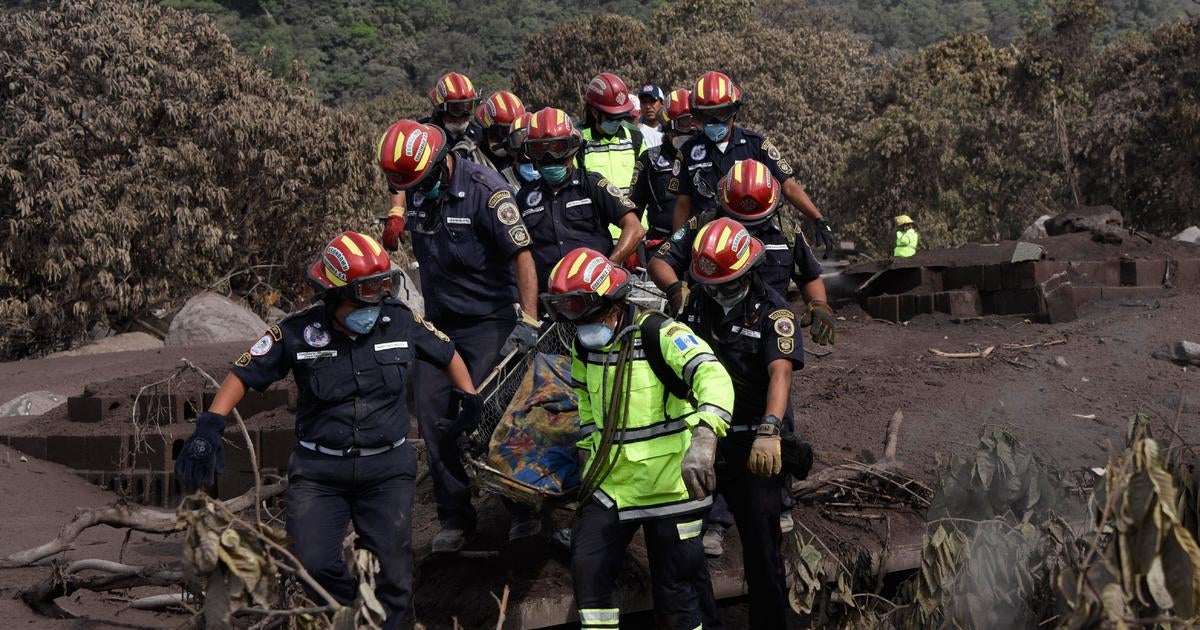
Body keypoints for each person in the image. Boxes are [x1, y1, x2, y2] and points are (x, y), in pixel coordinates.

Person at [174, 231, 478, 630]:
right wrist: (210, 425)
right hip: (319, 473)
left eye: (383, 285)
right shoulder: (298, 332)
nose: (377, 298)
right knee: (311, 564)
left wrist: (469, 397)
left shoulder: (399, 321)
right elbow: (244, 373)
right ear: (334, 293)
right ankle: (355, 613)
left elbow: (447, 351)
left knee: (393, 572)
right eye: (366, 290)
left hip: (387, 470)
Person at [540, 248, 735, 630]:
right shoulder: (584, 344)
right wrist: (585, 447)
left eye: (587, 317)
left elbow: (713, 376)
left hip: (672, 487)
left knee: (677, 594)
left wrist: (706, 436)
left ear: (612, 307)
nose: (581, 327)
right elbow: (584, 397)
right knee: (589, 568)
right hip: (612, 486)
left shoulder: (660, 333)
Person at [376, 119, 541, 551]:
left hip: (490, 321)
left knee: (492, 414)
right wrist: (395, 214)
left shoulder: (487, 191)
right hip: (439, 323)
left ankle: (520, 507)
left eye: (417, 182)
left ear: (440, 165)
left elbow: (522, 257)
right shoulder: (415, 188)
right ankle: (455, 516)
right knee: (432, 415)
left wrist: (528, 321)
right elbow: (401, 191)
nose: (412, 191)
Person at [678, 218, 802, 630]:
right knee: (682, 547)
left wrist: (770, 429)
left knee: (763, 549)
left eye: (726, 285)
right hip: (703, 438)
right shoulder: (697, 302)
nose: (719, 294)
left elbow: (780, 373)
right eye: (712, 286)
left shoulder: (775, 314)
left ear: (748, 272)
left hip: (753, 442)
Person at [650, 159, 836, 347]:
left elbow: (809, 275)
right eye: (737, 220)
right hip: (707, 335)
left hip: (764, 339)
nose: (746, 230)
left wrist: (819, 305)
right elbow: (660, 261)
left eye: (755, 224)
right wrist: (675, 289)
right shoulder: (703, 224)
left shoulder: (786, 233)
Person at [669, 71, 836, 259]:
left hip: (752, 242)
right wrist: (679, 247)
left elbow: (788, 186)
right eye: (708, 115)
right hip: (707, 247)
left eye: (721, 113)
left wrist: (818, 219)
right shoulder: (688, 152)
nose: (715, 121)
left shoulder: (756, 145)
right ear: (697, 115)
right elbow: (683, 204)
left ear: (734, 110)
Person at [516, 107, 645, 291]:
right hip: (548, 300)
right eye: (540, 149)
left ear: (572, 149)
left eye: (558, 148)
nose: (550, 158)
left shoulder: (593, 184)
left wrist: (610, 266)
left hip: (597, 294)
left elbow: (635, 227)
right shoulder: (524, 197)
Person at [382, 72, 485, 250]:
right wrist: (396, 212)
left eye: (468, 106)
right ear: (440, 107)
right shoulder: (419, 134)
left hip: (469, 220)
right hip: (426, 218)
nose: (462, 115)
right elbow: (400, 173)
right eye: (456, 108)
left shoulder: (481, 137)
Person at [629, 88, 698, 247]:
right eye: (684, 122)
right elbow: (635, 208)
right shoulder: (650, 159)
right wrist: (632, 247)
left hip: (704, 240)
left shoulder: (710, 155)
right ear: (669, 125)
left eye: (694, 121)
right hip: (661, 243)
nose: (690, 128)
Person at [579, 72, 644, 198]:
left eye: (621, 116)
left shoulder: (635, 138)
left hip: (635, 216)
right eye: (612, 117)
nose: (617, 122)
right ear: (594, 112)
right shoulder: (580, 142)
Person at [453, 90, 527, 188]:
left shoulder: (527, 158)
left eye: (515, 134)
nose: (509, 141)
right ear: (488, 130)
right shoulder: (466, 157)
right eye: (504, 132)